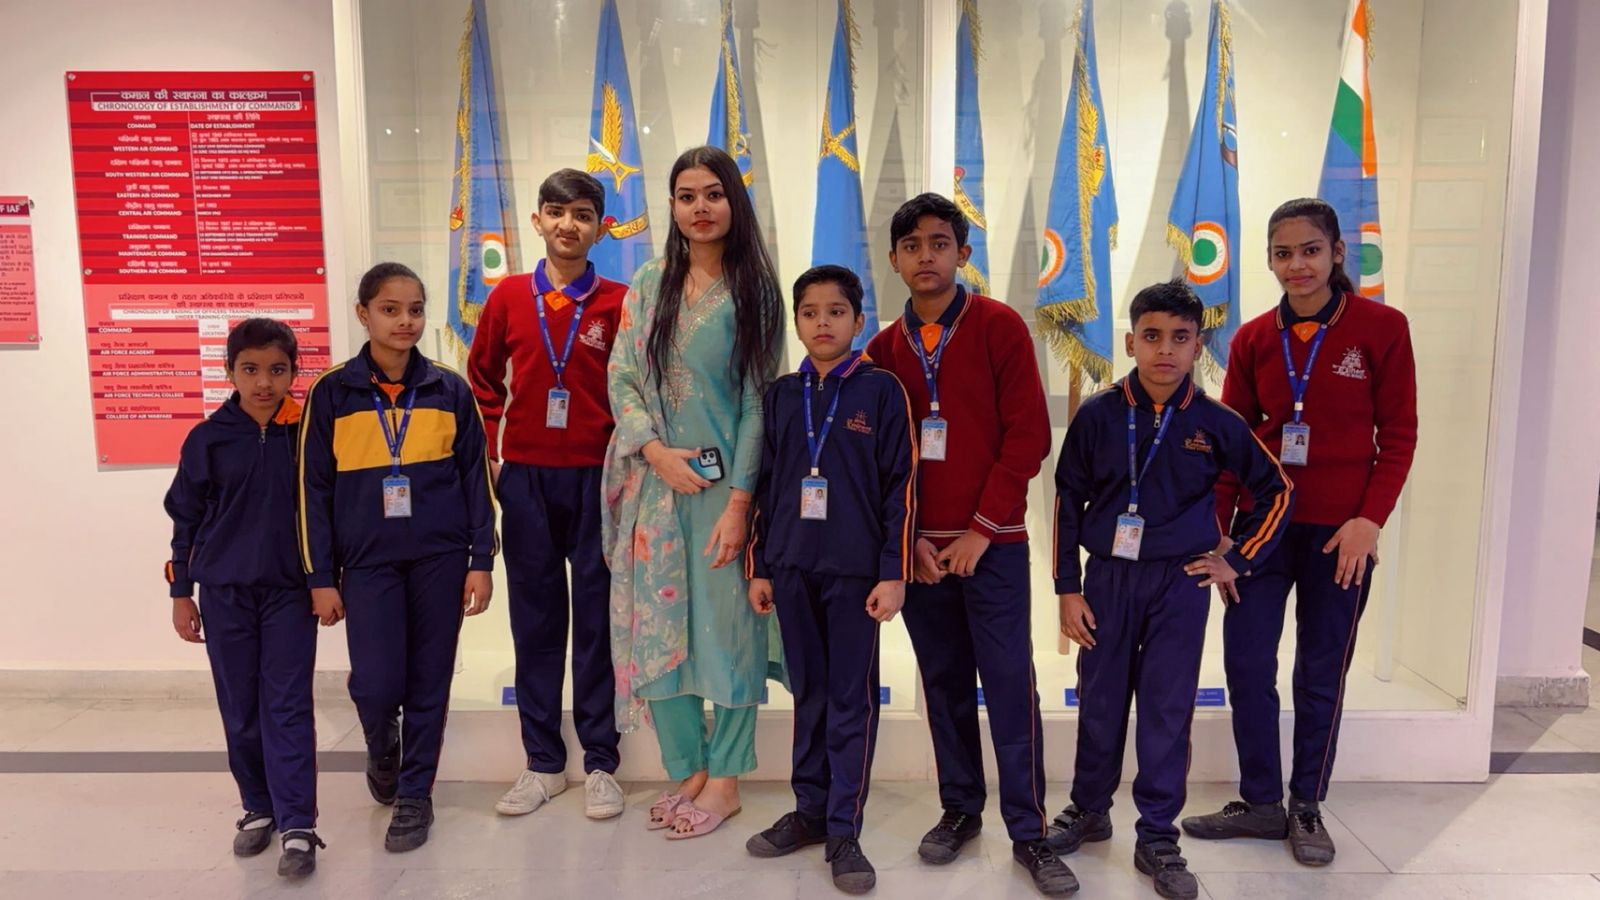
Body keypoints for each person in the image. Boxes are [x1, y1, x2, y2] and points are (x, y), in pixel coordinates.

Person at [1182, 198, 1417, 866]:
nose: (1297, 265)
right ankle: (1261, 802)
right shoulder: (1255, 338)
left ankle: (1307, 805)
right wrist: (1222, 534)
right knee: (1247, 663)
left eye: (1310, 250)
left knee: (1321, 671)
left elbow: (1399, 434)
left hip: (1340, 537)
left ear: (1337, 253)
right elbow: (1232, 446)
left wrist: (1369, 522)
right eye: (1283, 253)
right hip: (1261, 534)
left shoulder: (1383, 328)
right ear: (1269, 260)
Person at [1051, 279, 1295, 900]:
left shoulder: (1216, 421)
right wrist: (1067, 588)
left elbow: (1276, 490)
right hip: (1108, 580)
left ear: (1197, 345)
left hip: (1180, 583)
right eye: (1152, 336)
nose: (1165, 350)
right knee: (1100, 699)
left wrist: (1237, 559)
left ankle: (1157, 834)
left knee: (1167, 707)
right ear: (1130, 342)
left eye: (1180, 338)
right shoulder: (1098, 415)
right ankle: (1089, 809)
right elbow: (1066, 502)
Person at [864, 193, 1071, 895]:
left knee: (1010, 684)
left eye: (939, 243)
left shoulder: (998, 325)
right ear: (894, 260)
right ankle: (959, 809)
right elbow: (882, 465)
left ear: (963, 253)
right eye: (912, 246)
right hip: (923, 556)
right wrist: (910, 543)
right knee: (944, 683)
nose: (926, 256)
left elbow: (1028, 437)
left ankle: (1031, 831)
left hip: (994, 545)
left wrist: (981, 530)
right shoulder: (881, 351)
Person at [601, 145, 785, 840]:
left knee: (728, 630)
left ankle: (728, 778)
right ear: (673, 207)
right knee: (659, 629)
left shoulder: (755, 290)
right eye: (686, 196)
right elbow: (621, 376)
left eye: (713, 193)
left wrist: (740, 504)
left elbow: (759, 404)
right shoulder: (649, 283)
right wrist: (653, 451)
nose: (700, 207)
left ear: (734, 201)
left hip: (723, 492)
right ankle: (688, 767)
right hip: (655, 487)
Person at [299, 262, 498, 852]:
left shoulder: (449, 389)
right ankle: (381, 738)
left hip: (440, 558)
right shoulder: (331, 393)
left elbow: (475, 481)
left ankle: (415, 794)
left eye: (415, 310)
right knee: (379, 681)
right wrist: (319, 576)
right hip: (366, 562)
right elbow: (311, 490)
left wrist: (481, 560)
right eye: (390, 309)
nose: (405, 321)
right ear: (363, 314)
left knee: (430, 679)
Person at [743, 265, 917, 893]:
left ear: (858, 321)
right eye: (811, 312)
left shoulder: (882, 391)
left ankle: (845, 829)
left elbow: (901, 488)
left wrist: (893, 573)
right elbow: (765, 485)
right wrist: (760, 566)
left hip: (854, 573)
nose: (823, 323)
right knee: (808, 695)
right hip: (792, 567)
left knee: (850, 700)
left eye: (836, 312)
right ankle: (811, 810)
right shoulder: (782, 395)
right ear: (797, 323)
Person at [468, 169, 627, 820]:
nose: (569, 224)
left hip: (597, 480)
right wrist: (493, 454)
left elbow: (634, 391)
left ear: (601, 228)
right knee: (534, 623)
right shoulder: (508, 297)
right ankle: (542, 762)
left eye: (583, 214)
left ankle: (601, 762)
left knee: (596, 623)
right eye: (557, 212)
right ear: (537, 221)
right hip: (527, 479)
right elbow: (482, 382)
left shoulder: (619, 302)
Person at [163, 318, 323, 879]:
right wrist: (181, 592)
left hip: (289, 594)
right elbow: (185, 522)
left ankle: (298, 823)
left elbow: (325, 515)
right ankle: (258, 806)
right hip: (224, 593)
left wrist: (326, 581)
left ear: (293, 372)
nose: (263, 383)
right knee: (240, 705)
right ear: (229, 371)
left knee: (288, 705)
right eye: (250, 369)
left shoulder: (307, 436)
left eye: (277, 370)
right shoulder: (208, 439)